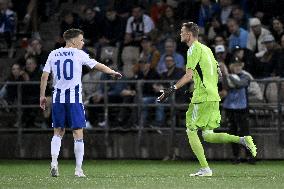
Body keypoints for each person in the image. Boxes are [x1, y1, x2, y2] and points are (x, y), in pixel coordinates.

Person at [157, 22, 257, 177]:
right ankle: (243, 140)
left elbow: (188, 75)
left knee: (190, 130)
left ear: (189, 34)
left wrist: (172, 89)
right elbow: (219, 72)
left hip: (202, 97)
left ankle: (205, 169)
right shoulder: (207, 49)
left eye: (182, 32)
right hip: (213, 97)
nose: (180, 34)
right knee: (208, 135)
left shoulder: (193, 49)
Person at [40, 28, 122, 177]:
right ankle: (78, 170)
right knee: (78, 133)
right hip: (74, 99)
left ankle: (54, 163)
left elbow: (45, 76)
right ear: (73, 40)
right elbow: (97, 65)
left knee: (58, 132)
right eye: (81, 40)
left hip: (58, 99)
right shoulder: (78, 54)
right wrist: (112, 72)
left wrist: (42, 96)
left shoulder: (53, 54)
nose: (83, 43)